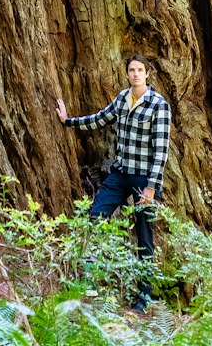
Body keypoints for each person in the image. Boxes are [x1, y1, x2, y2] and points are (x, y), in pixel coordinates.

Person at [56, 55, 171, 313]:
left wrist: (151, 188)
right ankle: (89, 282)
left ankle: (143, 299)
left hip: (144, 180)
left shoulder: (158, 106)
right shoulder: (122, 98)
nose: (136, 74)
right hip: (120, 174)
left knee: (144, 238)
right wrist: (68, 121)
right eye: (132, 70)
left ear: (148, 74)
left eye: (140, 70)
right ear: (127, 73)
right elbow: (99, 119)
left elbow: (161, 151)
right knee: (95, 218)